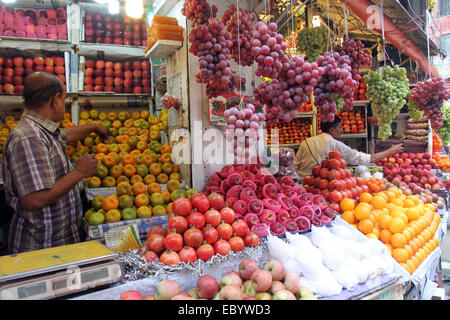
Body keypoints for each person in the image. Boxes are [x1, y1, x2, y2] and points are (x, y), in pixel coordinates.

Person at [2, 72, 109, 254]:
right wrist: (79, 173)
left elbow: (65, 136)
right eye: (64, 99)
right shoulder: (29, 137)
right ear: (55, 100)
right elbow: (34, 199)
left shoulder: (41, 130)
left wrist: (93, 127)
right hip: (40, 247)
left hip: (57, 240)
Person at [294, 116, 404, 181]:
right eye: (340, 127)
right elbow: (364, 159)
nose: (342, 130)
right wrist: (391, 151)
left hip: (302, 183)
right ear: (332, 130)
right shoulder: (336, 145)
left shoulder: (306, 142)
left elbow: (294, 166)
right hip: (322, 185)